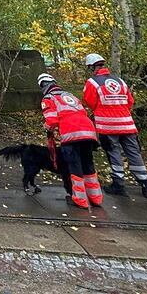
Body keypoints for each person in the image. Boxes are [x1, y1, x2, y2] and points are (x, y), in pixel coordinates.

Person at [83, 54, 147, 199]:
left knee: (113, 152)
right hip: (127, 125)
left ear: (91, 67)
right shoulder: (120, 81)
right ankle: (145, 183)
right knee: (134, 153)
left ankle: (118, 184)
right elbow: (130, 101)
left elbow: (90, 101)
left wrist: (103, 110)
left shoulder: (92, 82)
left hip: (108, 126)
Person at [37, 73, 103, 209]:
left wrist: (47, 128)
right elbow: (82, 111)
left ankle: (80, 200)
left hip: (71, 133)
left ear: (42, 86)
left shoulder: (48, 98)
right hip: (88, 131)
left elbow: (51, 120)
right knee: (88, 164)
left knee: (74, 166)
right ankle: (96, 198)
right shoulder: (70, 95)